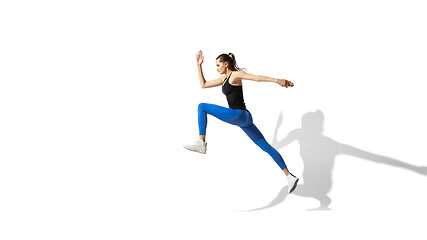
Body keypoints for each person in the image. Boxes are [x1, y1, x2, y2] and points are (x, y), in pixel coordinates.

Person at [184, 50, 299, 193]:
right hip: (244, 120)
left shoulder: (235, 75)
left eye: (218, 65)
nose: (217, 68)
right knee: (266, 147)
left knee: (202, 107)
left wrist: (277, 81)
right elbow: (204, 85)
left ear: (226, 64)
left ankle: (201, 142)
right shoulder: (224, 79)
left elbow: (256, 78)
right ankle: (289, 176)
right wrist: (198, 66)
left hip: (239, 115)